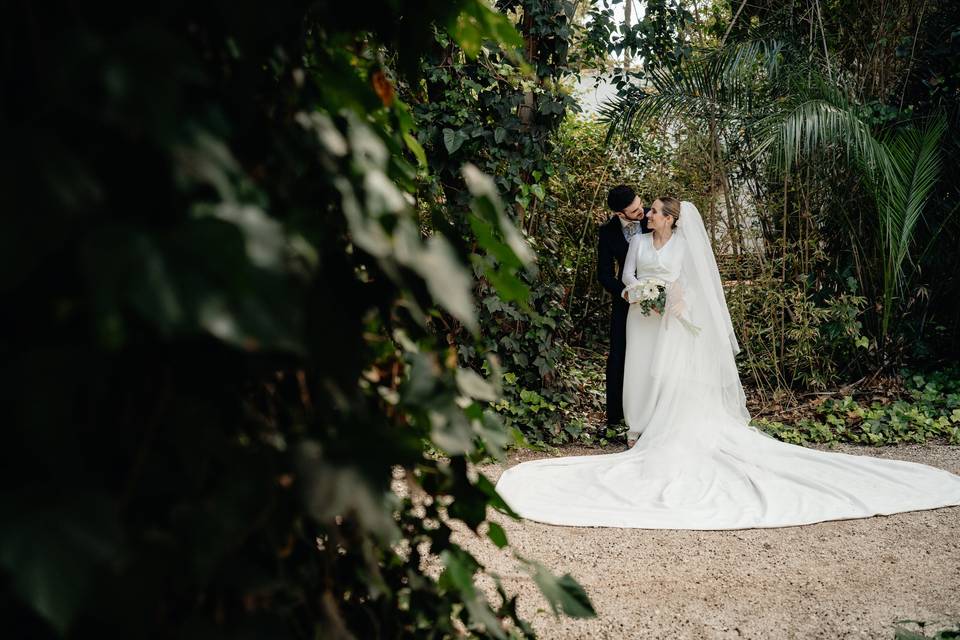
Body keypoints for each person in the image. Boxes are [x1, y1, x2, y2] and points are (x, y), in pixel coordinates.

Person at [495, 200, 960, 529]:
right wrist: (638, 293)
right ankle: (637, 428)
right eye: (648, 209)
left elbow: (695, 284)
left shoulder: (682, 244)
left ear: (671, 218)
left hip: (672, 320)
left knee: (668, 374)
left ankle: (660, 424)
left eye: (655, 209)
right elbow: (631, 273)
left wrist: (675, 298)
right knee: (639, 370)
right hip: (641, 315)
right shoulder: (637, 242)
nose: (649, 215)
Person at [597, 185, 649, 431]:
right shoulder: (607, 233)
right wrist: (625, 293)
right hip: (626, 299)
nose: (641, 211)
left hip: (658, 294)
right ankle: (616, 416)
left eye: (640, 205)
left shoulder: (654, 218)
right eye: (634, 210)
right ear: (620, 214)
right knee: (619, 354)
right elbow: (604, 274)